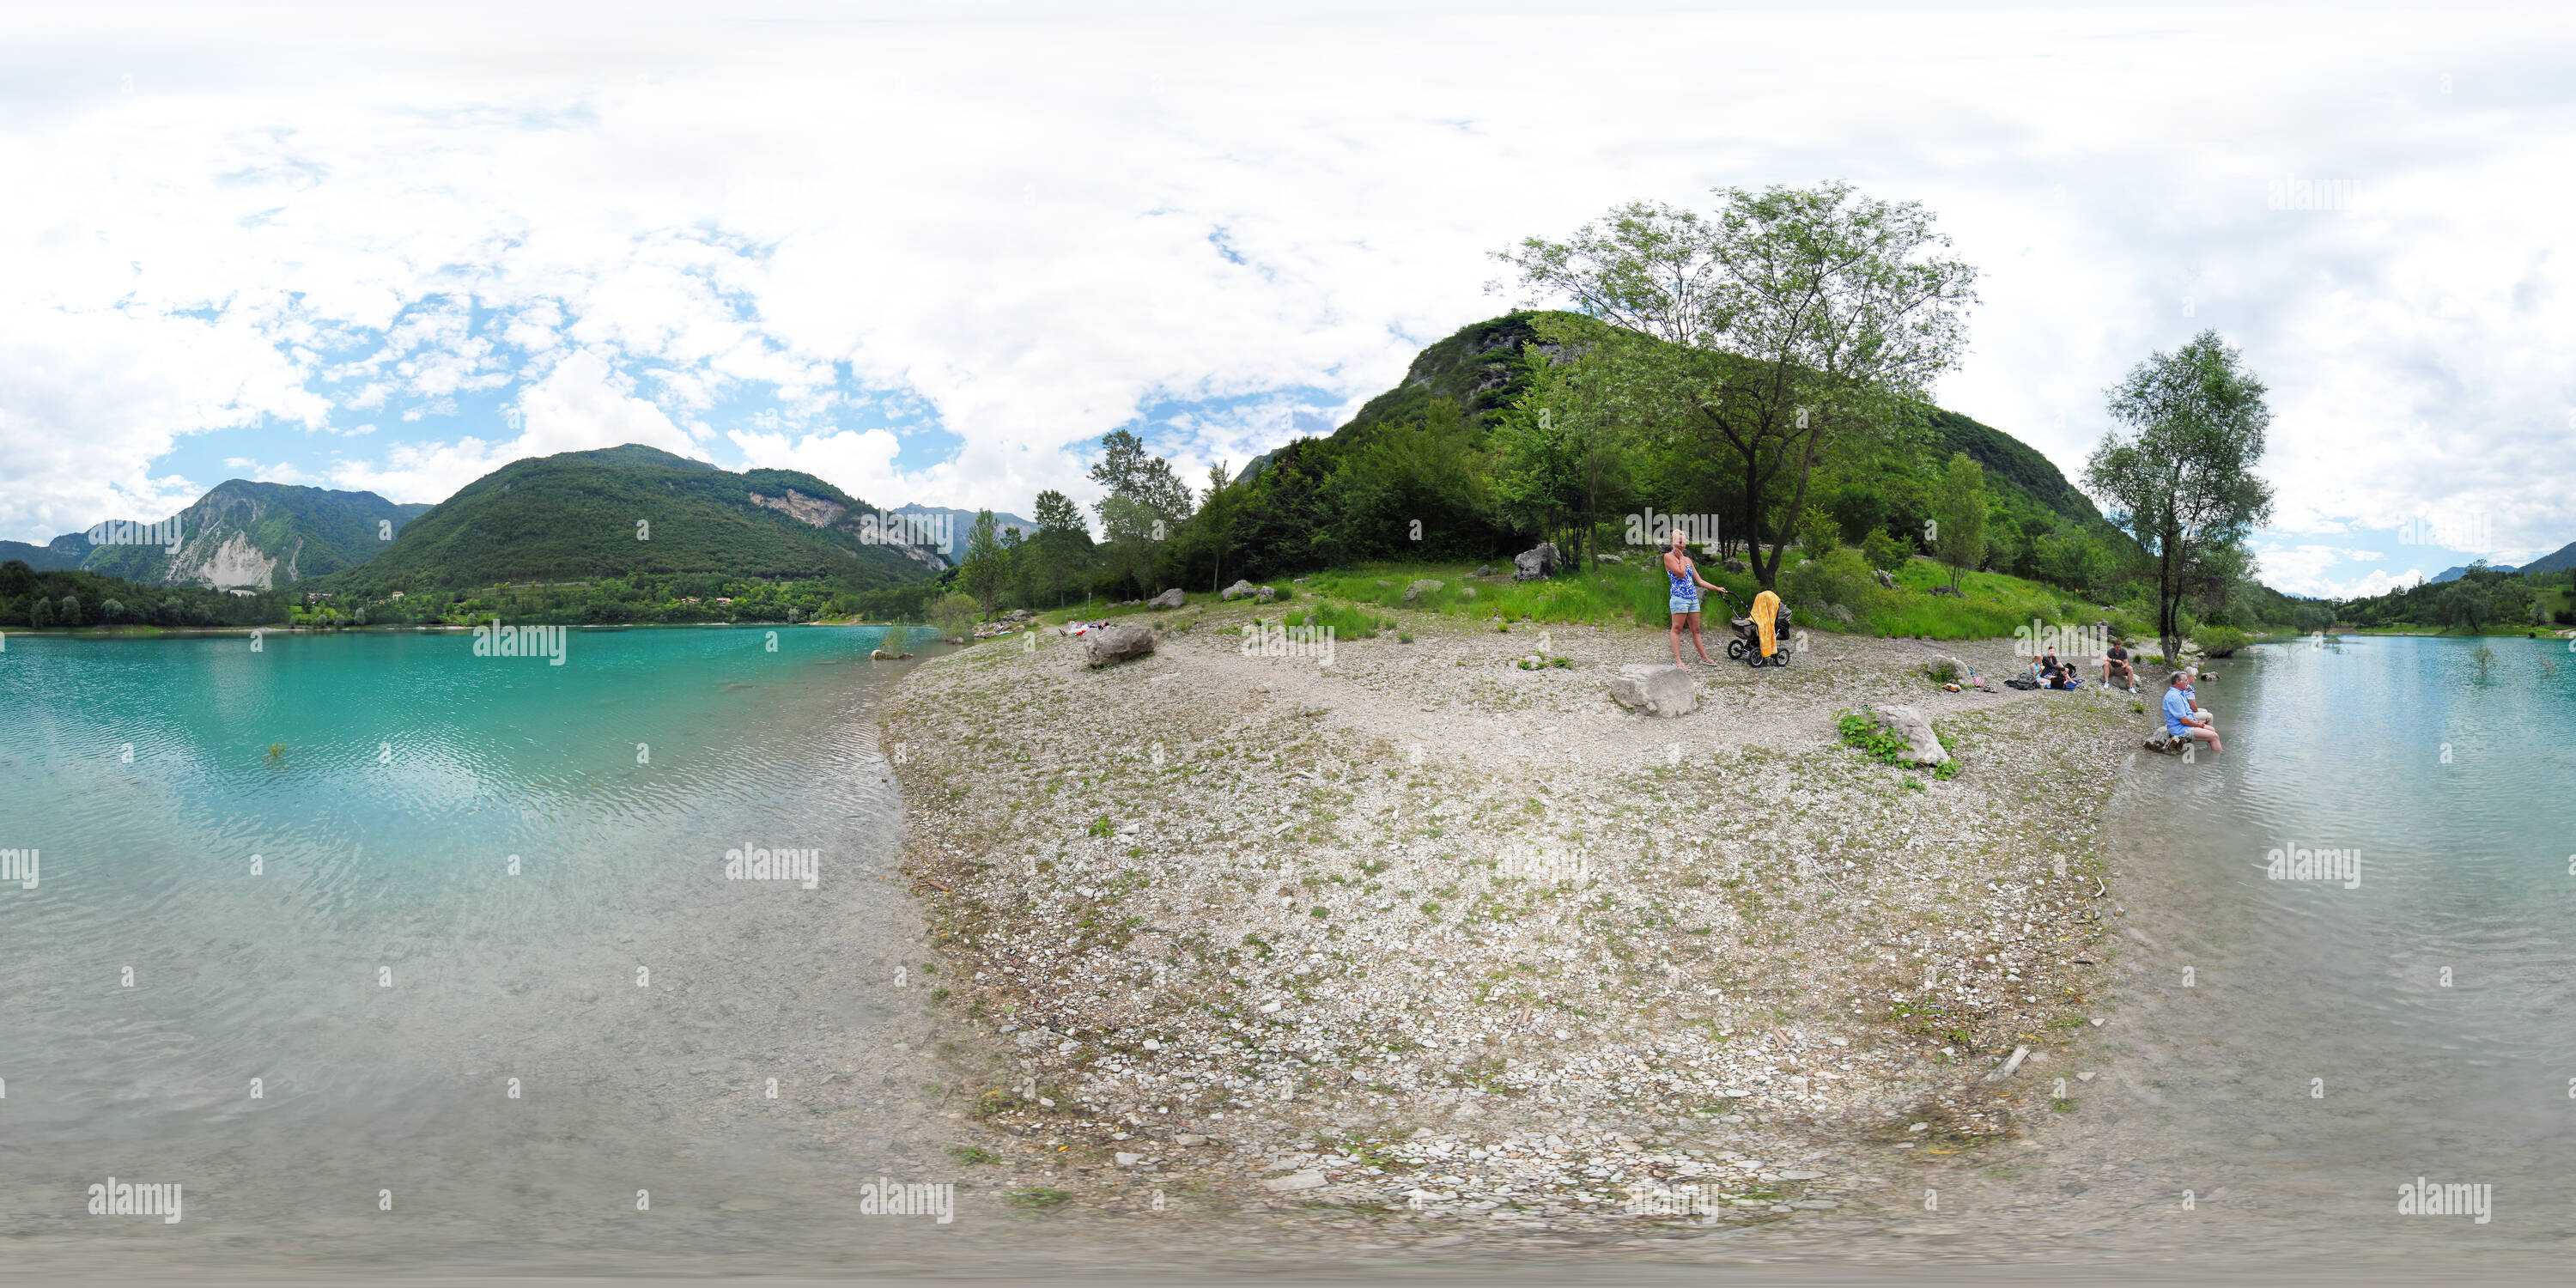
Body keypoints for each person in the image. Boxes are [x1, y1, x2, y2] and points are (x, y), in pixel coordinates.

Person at [1663, 531, 1726, 665]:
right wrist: (1680, 558)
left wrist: (1716, 588)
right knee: (1677, 629)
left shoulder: (1688, 560)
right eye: (1679, 542)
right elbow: (1680, 573)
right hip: (1679, 598)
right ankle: (1678, 660)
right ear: (1672, 542)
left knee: (1696, 630)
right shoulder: (1668, 557)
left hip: (1692, 598)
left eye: (1684, 542)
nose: (1682, 545)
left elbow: (1699, 581)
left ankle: (1704, 657)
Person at [2163, 670, 2221, 753]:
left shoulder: (2180, 693)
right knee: (2214, 736)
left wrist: (2196, 721)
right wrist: (2198, 724)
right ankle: (2218, 760)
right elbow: (2184, 720)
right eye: (2185, 680)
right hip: (2179, 729)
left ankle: (2211, 750)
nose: (2188, 682)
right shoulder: (2174, 697)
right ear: (2178, 682)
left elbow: (2187, 714)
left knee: (2212, 729)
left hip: (2183, 725)